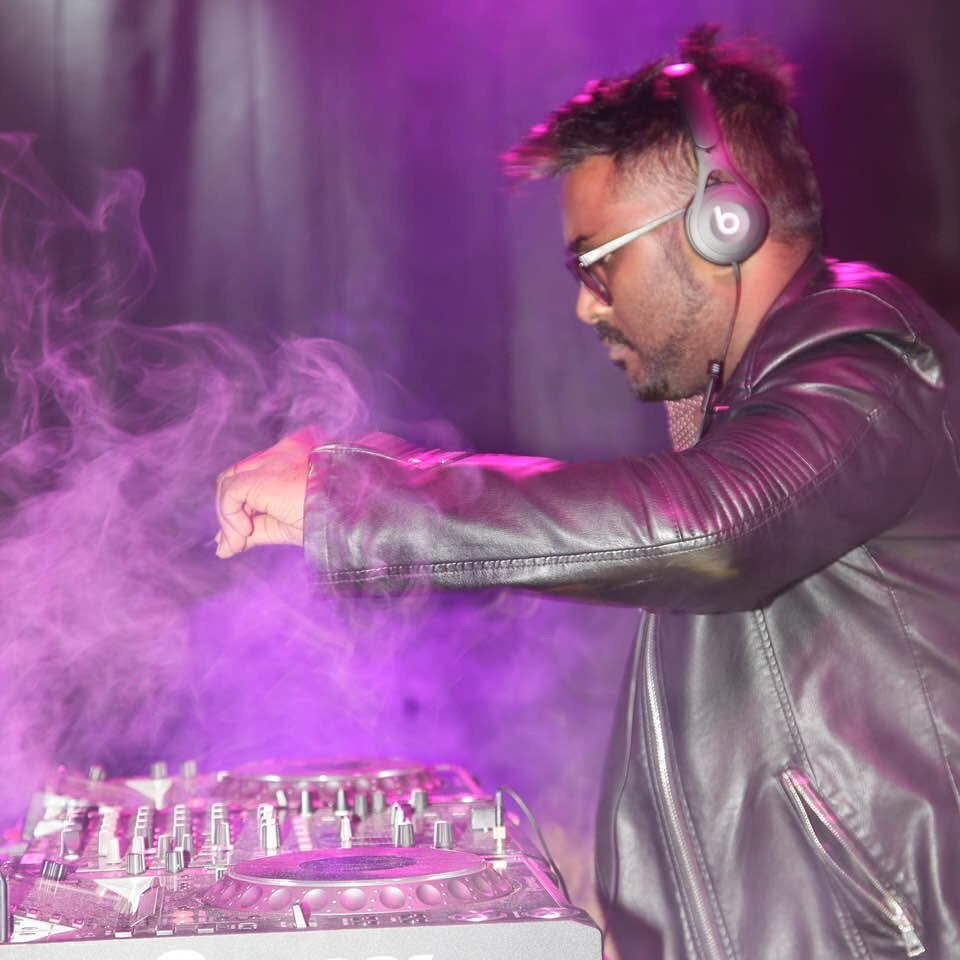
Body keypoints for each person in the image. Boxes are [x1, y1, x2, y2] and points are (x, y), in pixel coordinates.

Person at [214, 26, 960, 960]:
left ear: (719, 224)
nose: (585, 305)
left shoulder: (870, 357)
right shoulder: (754, 402)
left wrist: (358, 497)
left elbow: (713, 528)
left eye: (595, 262)